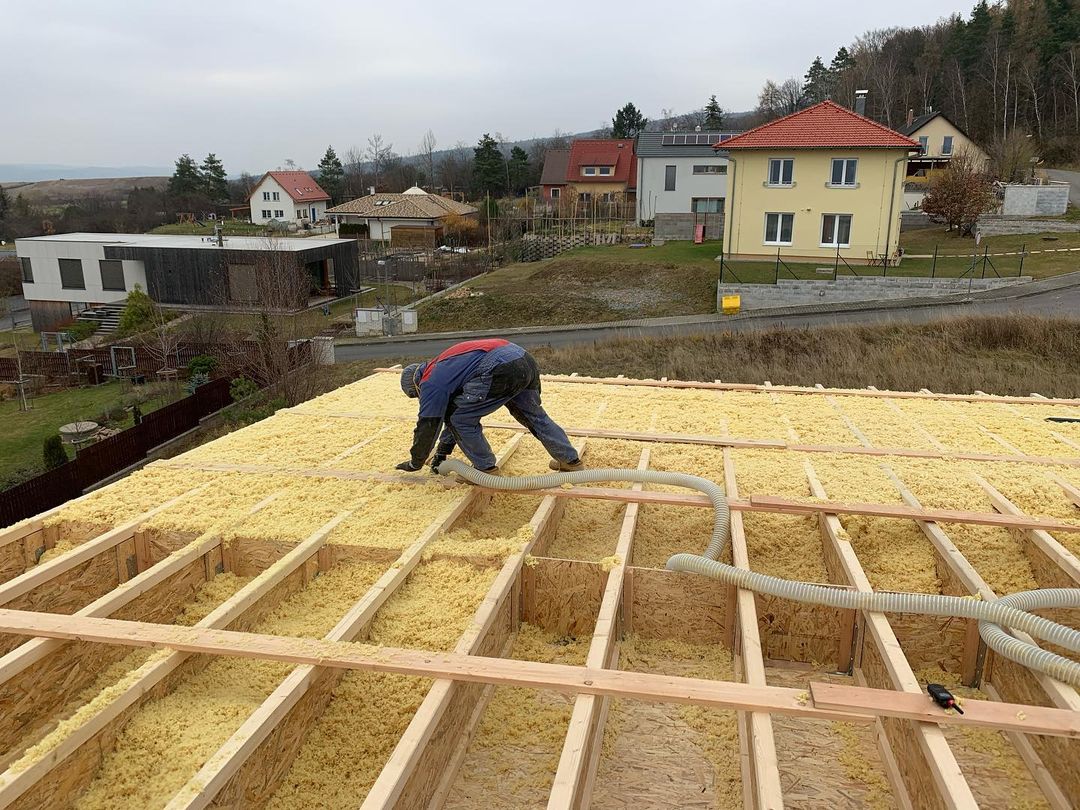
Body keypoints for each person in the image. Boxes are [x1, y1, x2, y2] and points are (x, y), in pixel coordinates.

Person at [395, 338, 583, 474]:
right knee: (535, 416)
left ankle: (485, 469)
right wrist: (443, 451)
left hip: (499, 367)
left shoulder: (431, 381)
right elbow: (451, 411)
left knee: (459, 419)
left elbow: (429, 425)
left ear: (416, 386)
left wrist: (416, 462)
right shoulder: (445, 365)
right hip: (523, 359)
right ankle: (570, 460)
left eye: (416, 395)